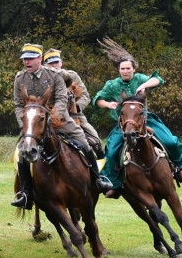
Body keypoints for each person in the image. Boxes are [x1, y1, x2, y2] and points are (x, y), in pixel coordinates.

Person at [11, 43, 114, 209]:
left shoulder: (54, 75)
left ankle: (98, 180)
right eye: (24, 59)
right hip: (34, 124)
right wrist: (24, 123)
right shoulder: (19, 78)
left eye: (30, 58)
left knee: (85, 142)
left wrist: (53, 118)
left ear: (39, 58)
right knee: (22, 153)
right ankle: (26, 193)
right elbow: (17, 104)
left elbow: (61, 99)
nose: (26, 62)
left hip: (60, 120)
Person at [93, 45, 182, 198]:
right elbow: (97, 100)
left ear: (133, 69)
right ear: (119, 70)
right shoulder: (112, 85)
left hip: (147, 121)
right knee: (112, 152)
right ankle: (115, 184)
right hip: (123, 125)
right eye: (122, 69)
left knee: (171, 142)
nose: (125, 71)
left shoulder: (140, 78)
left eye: (128, 68)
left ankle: (179, 169)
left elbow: (158, 79)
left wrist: (144, 85)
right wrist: (108, 104)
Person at [42, 48, 103, 156]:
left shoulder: (72, 75)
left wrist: (77, 107)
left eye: (56, 62)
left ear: (61, 63)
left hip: (73, 113)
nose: (54, 65)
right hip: (48, 115)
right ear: (45, 65)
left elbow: (85, 95)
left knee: (96, 139)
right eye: (50, 63)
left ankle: (100, 167)